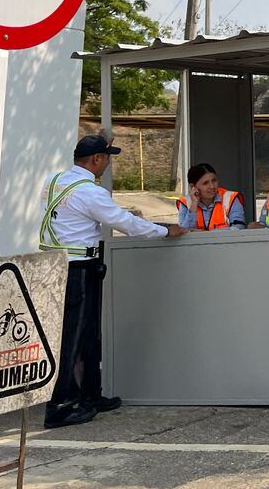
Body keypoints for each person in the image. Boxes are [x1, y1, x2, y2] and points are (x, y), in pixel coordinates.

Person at [40, 134, 186, 428]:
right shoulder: (90, 193)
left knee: (88, 333)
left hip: (58, 266)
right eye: (107, 158)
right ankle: (60, 405)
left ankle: (90, 394)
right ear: (96, 159)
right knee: (73, 336)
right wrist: (164, 230)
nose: (108, 163)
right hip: (78, 269)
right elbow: (126, 223)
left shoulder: (54, 181)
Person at [176, 163, 245, 230]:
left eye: (214, 180)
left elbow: (239, 228)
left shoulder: (230, 198)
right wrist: (193, 205)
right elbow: (182, 232)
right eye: (205, 183)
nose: (212, 186)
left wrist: (206, 234)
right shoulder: (185, 202)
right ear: (192, 187)